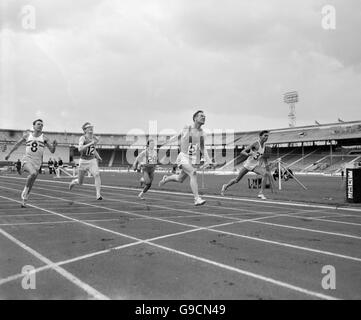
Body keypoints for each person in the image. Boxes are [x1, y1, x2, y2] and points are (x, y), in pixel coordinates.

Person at [158, 110, 212, 206]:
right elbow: (178, 136)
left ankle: (166, 178)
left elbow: (203, 148)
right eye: (201, 116)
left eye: (204, 116)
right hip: (183, 156)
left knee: (180, 179)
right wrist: (166, 143)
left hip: (192, 159)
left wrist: (208, 160)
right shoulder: (188, 127)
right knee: (193, 172)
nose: (204, 117)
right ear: (195, 118)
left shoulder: (203, 134)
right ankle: (197, 198)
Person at [4, 119, 57, 207]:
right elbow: (17, 144)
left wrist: (54, 146)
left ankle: (24, 201)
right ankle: (24, 187)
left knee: (32, 182)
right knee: (33, 173)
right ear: (34, 126)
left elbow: (52, 151)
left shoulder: (44, 138)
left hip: (37, 162)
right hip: (27, 159)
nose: (40, 126)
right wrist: (9, 154)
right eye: (38, 124)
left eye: (41, 125)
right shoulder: (27, 135)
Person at [221, 130, 270, 200]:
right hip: (248, 165)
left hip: (255, 165)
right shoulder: (255, 144)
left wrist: (262, 163)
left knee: (265, 174)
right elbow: (242, 152)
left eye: (267, 136)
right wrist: (248, 154)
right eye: (265, 136)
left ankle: (261, 193)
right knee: (237, 180)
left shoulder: (264, 145)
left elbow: (260, 156)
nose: (266, 137)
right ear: (260, 136)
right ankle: (225, 186)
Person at [69, 122, 103, 200]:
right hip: (83, 161)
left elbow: (93, 149)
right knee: (80, 182)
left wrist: (98, 157)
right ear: (85, 130)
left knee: (97, 174)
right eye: (89, 127)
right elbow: (80, 149)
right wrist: (91, 143)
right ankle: (74, 182)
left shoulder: (94, 138)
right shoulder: (83, 138)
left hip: (92, 160)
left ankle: (98, 194)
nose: (91, 128)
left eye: (92, 127)